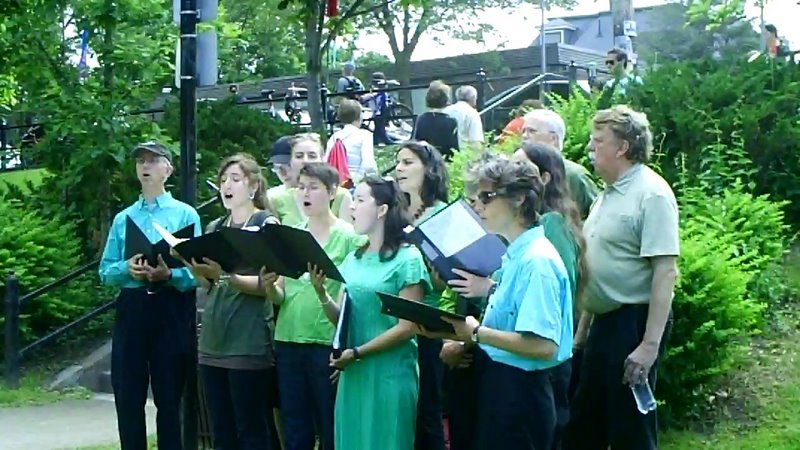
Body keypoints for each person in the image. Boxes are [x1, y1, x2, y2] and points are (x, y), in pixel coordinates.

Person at [422, 154, 573, 450]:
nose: (478, 206)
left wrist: (476, 333)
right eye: (476, 198)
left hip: (522, 393)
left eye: (487, 196)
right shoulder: (516, 255)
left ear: (518, 199)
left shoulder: (537, 261)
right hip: (502, 384)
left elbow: (544, 346)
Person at [564, 105, 679, 450]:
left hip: (632, 324)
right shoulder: (607, 194)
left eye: (598, 140)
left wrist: (647, 347)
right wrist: (582, 333)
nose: (590, 147)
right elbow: (598, 266)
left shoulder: (652, 194)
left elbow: (665, 271)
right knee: (584, 423)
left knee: (630, 429)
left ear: (623, 148)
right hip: (603, 323)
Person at [309, 175, 432, 450]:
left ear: (382, 209)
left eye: (360, 200)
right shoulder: (354, 257)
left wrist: (358, 353)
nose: (351, 207)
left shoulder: (408, 259)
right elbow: (342, 317)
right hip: (353, 373)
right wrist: (322, 294)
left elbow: (407, 326)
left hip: (389, 375)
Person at [99, 141, 201, 450]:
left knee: (170, 396)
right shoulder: (123, 218)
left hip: (171, 307)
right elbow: (105, 271)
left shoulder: (185, 214)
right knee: (128, 393)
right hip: (133, 306)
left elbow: (199, 272)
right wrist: (126, 269)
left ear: (167, 169)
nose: (145, 166)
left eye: (152, 161)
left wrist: (170, 274)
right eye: (140, 161)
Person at [260, 162, 366, 450]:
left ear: (332, 192)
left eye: (313, 187)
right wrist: (269, 285)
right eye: (301, 187)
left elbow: (354, 297)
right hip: (288, 339)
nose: (305, 193)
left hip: (324, 343)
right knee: (295, 425)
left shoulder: (349, 236)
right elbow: (280, 295)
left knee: (330, 423)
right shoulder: (291, 234)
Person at [188, 153, 279, 450]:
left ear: (253, 186)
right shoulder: (215, 226)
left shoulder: (265, 223)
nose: (227, 185)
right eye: (223, 180)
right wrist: (196, 268)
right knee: (221, 432)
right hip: (214, 340)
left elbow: (272, 285)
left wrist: (226, 277)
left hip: (249, 340)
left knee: (252, 429)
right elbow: (209, 285)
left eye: (235, 179)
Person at [513, 142, 588, 450]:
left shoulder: (552, 225)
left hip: (548, 357)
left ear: (544, 178)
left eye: (520, 168)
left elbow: (555, 293)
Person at [395, 142, 450, 450]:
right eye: (398, 163)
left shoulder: (442, 214)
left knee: (427, 408)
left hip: (428, 325)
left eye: (407, 162)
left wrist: (438, 279)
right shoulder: (396, 212)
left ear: (428, 169)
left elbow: (449, 280)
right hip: (397, 320)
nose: (399, 169)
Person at [521, 108, 598, 219]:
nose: (524, 136)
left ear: (553, 139)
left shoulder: (575, 175)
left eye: (531, 131)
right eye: (523, 131)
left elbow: (596, 216)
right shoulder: (519, 170)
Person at [269, 133, 353, 227]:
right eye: (299, 156)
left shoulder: (341, 196)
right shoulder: (277, 199)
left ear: (322, 159)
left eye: (312, 156)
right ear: (291, 162)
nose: (305, 160)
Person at [324, 99, 377, 183]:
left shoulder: (334, 137)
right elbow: (368, 164)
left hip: (338, 182)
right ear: (359, 116)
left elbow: (326, 161)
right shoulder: (365, 135)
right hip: (356, 181)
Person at [411, 80, 460, 159]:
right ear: (446, 99)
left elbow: (415, 142)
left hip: (425, 160)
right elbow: (453, 149)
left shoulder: (421, 119)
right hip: (443, 161)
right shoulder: (451, 122)